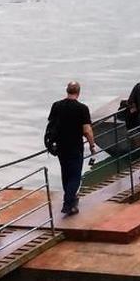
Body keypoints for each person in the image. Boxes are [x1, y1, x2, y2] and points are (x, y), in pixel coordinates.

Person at [47, 81, 96, 216]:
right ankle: (68, 203)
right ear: (78, 92)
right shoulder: (82, 108)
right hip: (75, 146)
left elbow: (51, 124)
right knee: (75, 177)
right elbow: (87, 130)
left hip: (60, 146)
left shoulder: (56, 105)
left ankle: (71, 201)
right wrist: (92, 145)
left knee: (66, 174)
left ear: (67, 91)